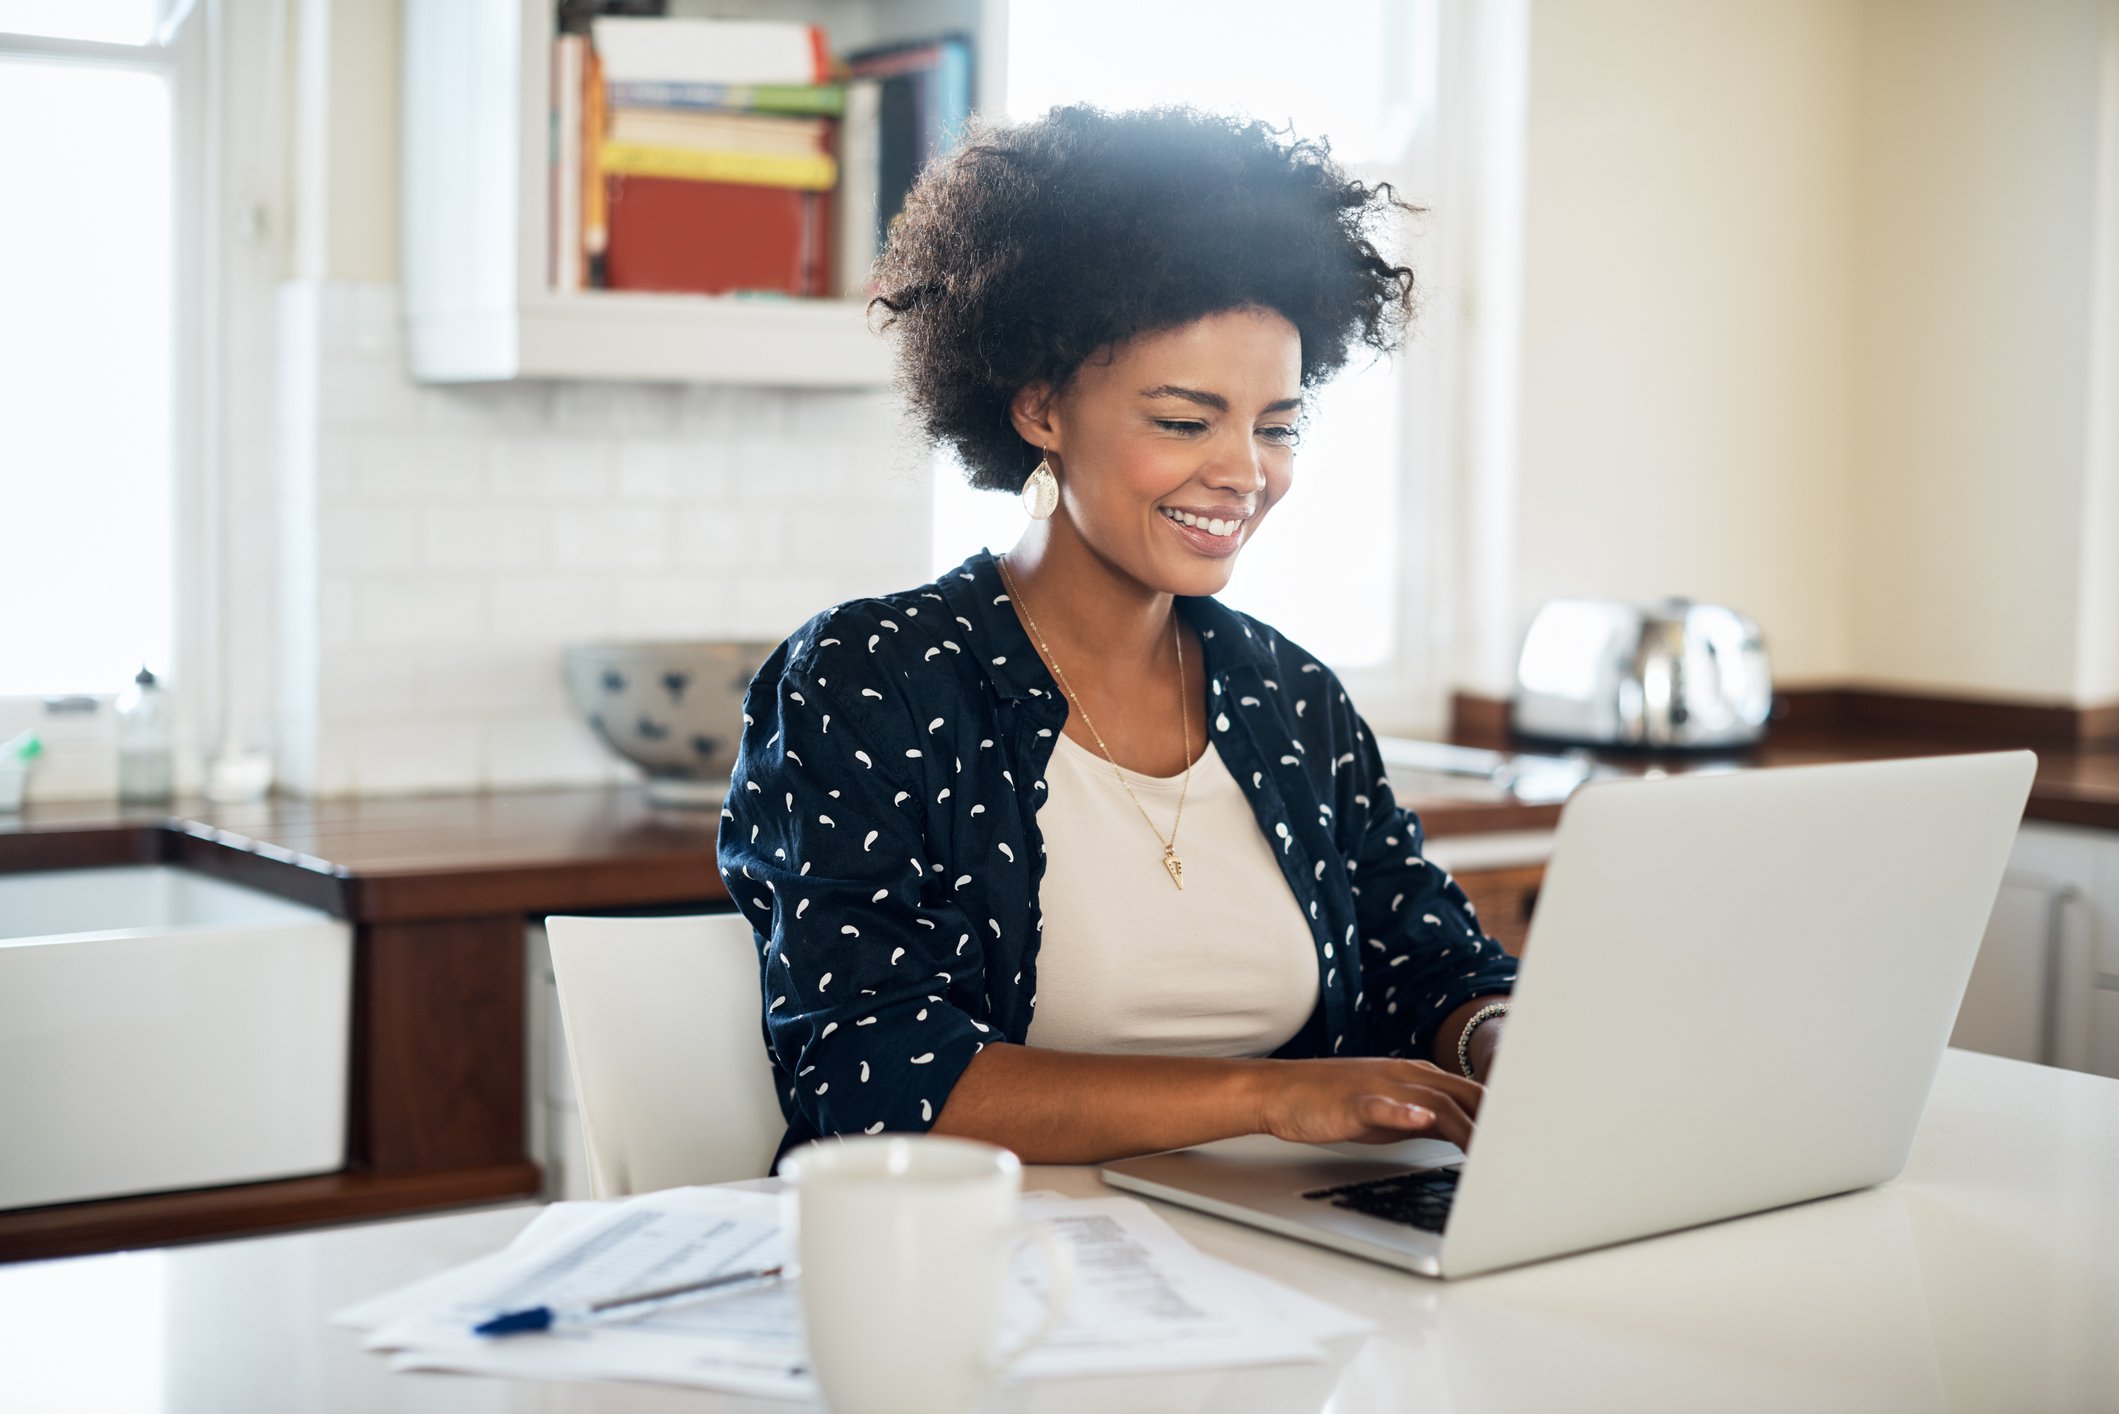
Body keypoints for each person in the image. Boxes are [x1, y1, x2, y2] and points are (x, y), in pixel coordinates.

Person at [719, 105, 1516, 1167]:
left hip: (1288, 1250)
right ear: (1041, 408)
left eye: (1276, 425)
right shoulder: (877, 680)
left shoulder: (1289, 697)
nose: (1245, 471)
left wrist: (1500, 1037)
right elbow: (877, 1074)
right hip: (989, 1275)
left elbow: (1426, 962)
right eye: (1185, 420)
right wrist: (1269, 1098)